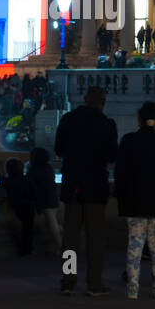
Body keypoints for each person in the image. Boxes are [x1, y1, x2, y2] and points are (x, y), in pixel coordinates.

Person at [54, 85, 118, 296]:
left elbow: (58, 149)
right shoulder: (107, 124)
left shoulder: (68, 119)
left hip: (72, 185)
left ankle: (68, 281)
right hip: (95, 187)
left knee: (70, 238)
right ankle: (94, 283)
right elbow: (111, 156)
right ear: (102, 102)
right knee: (95, 238)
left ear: (84, 99)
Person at [115, 101, 155, 300]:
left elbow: (120, 174)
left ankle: (132, 288)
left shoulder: (128, 141)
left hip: (134, 202)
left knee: (135, 243)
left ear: (139, 119)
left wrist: (123, 196)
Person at [0, 157, 37, 256]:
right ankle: (28, 249)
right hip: (29, 207)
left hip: (17, 207)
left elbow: (2, 182)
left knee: (23, 229)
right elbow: (34, 192)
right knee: (28, 229)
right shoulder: (26, 179)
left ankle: (24, 250)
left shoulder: (9, 181)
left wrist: (2, 177)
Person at [26, 147, 61, 252]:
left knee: (52, 225)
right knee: (53, 222)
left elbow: (29, 182)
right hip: (53, 198)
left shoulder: (34, 170)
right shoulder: (49, 168)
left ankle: (61, 247)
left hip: (45, 200)